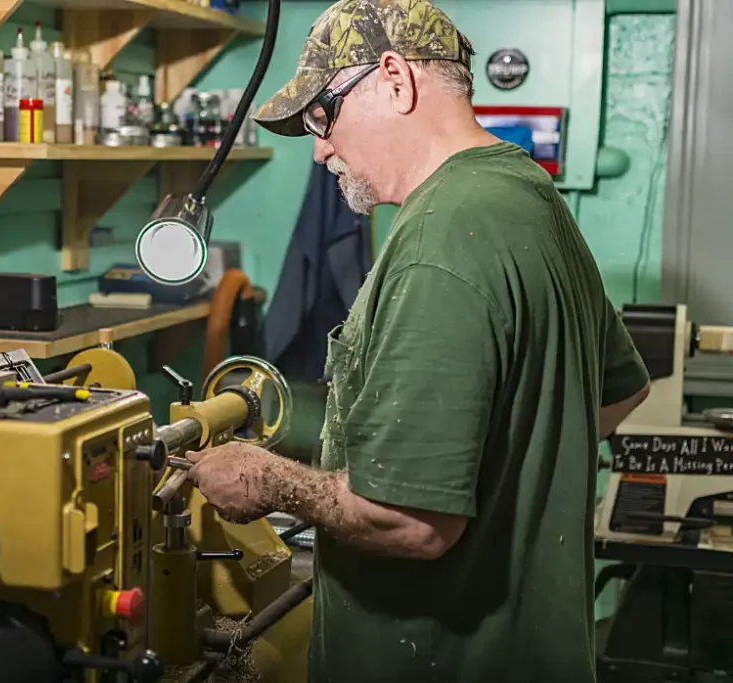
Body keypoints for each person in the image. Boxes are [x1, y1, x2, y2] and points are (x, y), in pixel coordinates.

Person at [185, 0, 652, 681]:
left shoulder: (439, 240)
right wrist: (500, 491)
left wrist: (267, 478)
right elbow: (621, 390)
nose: (319, 147)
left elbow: (411, 521)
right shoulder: (529, 193)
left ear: (396, 80)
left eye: (323, 114)